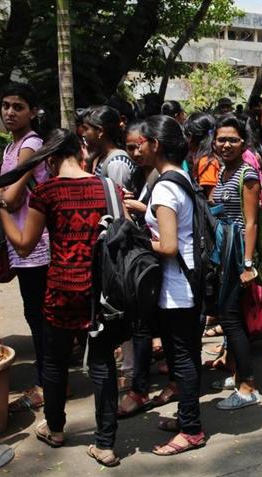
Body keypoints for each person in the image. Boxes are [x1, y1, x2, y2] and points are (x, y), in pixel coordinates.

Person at [0, 129, 123, 466]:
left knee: (53, 362)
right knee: (103, 364)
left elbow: (22, 244)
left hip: (61, 290)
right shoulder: (107, 188)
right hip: (102, 293)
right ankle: (105, 444)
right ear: (81, 150)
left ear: (48, 160)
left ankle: (57, 429)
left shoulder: (47, 192)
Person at [141, 115, 206, 455]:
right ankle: (186, 417)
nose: (139, 146)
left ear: (156, 145)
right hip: (189, 279)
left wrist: (135, 238)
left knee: (182, 358)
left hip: (177, 286)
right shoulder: (181, 175)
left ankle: (192, 430)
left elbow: (168, 246)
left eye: (143, 141)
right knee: (188, 355)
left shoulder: (165, 186)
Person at [0, 82, 50, 413]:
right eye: (5, 106)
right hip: (22, 246)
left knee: (39, 318)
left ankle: (46, 384)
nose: (9, 112)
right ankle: (47, 380)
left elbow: (13, 196)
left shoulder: (30, 145)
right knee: (35, 316)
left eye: (18, 106)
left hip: (37, 246)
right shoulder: (11, 147)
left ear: (32, 112)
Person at [210, 115, 262, 409]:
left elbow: (251, 223)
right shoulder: (224, 171)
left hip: (238, 253)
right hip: (224, 251)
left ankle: (247, 387)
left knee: (230, 317)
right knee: (231, 316)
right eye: (221, 139)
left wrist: (247, 264)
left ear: (244, 142)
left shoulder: (247, 174)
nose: (226, 144)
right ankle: (234, 372)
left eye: (232, 139)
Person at [116, 121, 162, 417]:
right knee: (144, 326)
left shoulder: (163, 177)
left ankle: (141, 387)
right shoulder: (141, 175)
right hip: (144, 260)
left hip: (157, 261)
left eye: (138, 146)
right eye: (130, 147)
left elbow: (166, 223)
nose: (134, 152)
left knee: (145, 327)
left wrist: (139, 209)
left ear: (154, 143)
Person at [82, 105, 136, 191]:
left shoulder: (117, 163)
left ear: (100, 131)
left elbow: (118, 200)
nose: (83, 134)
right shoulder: (103, 156)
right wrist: (89, 161)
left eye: (86, 129)